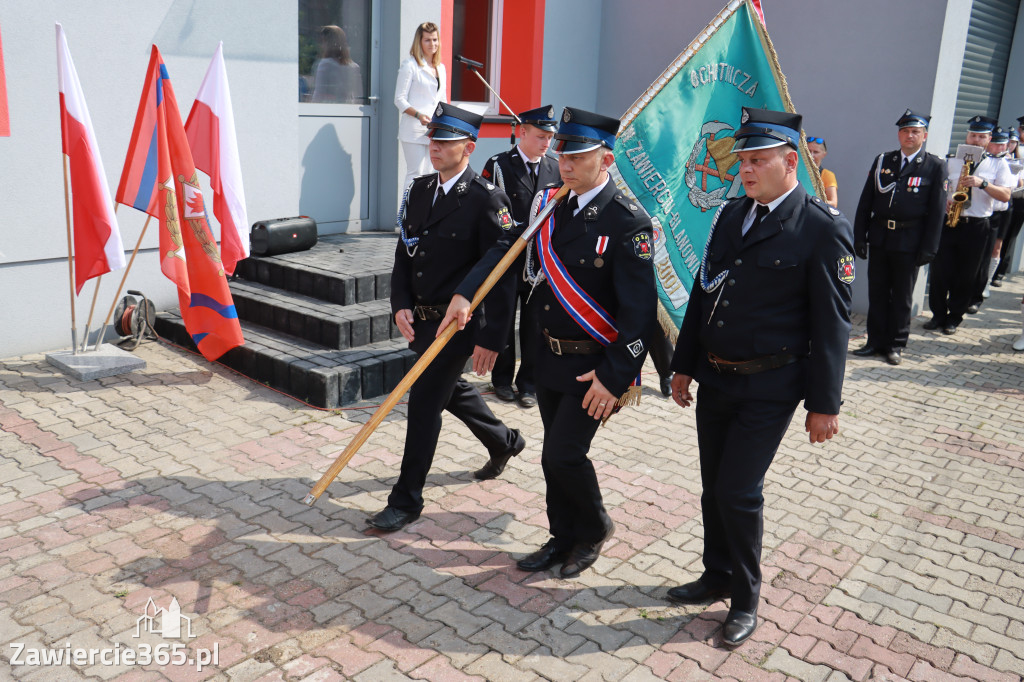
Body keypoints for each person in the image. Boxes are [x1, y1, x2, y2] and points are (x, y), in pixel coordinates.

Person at [667, 107, 854, 647]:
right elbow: (705, 294)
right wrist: (683, 365)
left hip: (771, 386)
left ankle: (746, 599)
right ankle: (716, 574)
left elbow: (833, 323)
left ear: (789, 161)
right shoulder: (730, 216)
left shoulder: (821, 227)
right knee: (711, 488)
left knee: (738, 490)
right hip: (717, 378)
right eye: (742, 161)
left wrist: (826, 404)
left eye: (756, 160)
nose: (744, 171)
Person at [442, 107, 656, 578]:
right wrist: (465, 292)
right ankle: (562, 537)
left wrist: (615, 376)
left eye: (579, 155)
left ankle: (594, 529)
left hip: (594, 368)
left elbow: (639, 314)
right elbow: (506, 247)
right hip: (548, 357)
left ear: (607, 159)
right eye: (564, 153)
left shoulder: (627, 221)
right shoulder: (551, 205)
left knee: (564, 454)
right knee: (551, 457)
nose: (566, 162)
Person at [372, 102, 525, 532]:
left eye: (444, 142)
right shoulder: (420, 189)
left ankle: (406, 500)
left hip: (457, 325)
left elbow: (503, 264)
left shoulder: (486, 197)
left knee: (423, 403)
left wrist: (492, 336)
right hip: (422, 320)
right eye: (433, 140)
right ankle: (505, 441)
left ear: (469, 147)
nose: (434, 147)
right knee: (447, 388)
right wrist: (399, 300)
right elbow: (405, 249)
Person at [482, 105, 562, 408]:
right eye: (541, 136)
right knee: (502, 319)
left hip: (540, 263)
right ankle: (501, 379)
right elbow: (490, 207)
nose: (546, 143)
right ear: (523, 132)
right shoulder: (500, 164)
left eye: (550, 138)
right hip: (508, 258)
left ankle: (528, 383)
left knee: (535, 323)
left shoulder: (555, 167)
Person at [852, 109, 946, 365]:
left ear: (924, 136)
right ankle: (874, 342)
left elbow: (938, 211)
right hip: (881, 237)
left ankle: (895, 345)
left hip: (910, 240)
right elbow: (866, 201)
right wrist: (860, 236)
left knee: (902, 296)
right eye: (905, 130)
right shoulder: (884, 160)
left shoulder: (934, 166)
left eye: (915, 131)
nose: (909, 135)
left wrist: (930, 247)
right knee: (878, 293)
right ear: (899, 134)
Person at [925, 115, 1013, 335]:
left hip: (976, 225)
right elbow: (939, 187)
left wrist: (983, 183)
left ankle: (954, 317)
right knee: (940, 271)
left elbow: (1005, 195)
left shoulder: (997, 163)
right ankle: (937, 314)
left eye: (981, 137)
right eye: (972, 135)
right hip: (950, 221)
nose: (975, 140)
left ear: (989, 139)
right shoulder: (951, 159)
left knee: (967, 274)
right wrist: (944, 200)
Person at [395, 22, 447, 198]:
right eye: (427, 40)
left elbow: (442, 99)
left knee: (432, 173)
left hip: (435, 129)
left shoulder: (441, 68)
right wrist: (418, 115)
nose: (432, 44)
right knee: (415, 173)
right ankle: (406, 217)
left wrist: (445, 120)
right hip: (414, 130)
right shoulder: (410, 65)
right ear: (419, 42)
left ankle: (424, 216)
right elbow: (399, 99)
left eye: (435, 40)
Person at [973, 127, 1013, 307]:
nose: (998, 147)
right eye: (995, 143)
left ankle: (985, 284)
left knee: (994, 249)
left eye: (1002, 144)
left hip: (999, 211)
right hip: (981, 211)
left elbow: (1008, 191)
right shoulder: (983, 160)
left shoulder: (1006, 162)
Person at [992, 118, 1024, 288]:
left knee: (1007, 239)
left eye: (1014, 142)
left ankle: (999, 272)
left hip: (1015, 202)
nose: (1010, 145)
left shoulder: (1018, 158)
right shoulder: (998, 158)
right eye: (1009, 141)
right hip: (995, 204)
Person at [311, 25, 362, 103]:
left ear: (328, 43)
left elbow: (318, 94)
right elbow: (358, 97)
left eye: (323, 42)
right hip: (348, 110)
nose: (321, 46)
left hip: (328, 110)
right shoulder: (354, 67)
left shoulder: (325, 65)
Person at [806, 136, 838, 207]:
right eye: (808, 151)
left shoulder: (827, 175)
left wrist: (810, 201)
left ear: (824, 154)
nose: (811, 155)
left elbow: (833, 203)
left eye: (816, 152)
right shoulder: (795, 171)